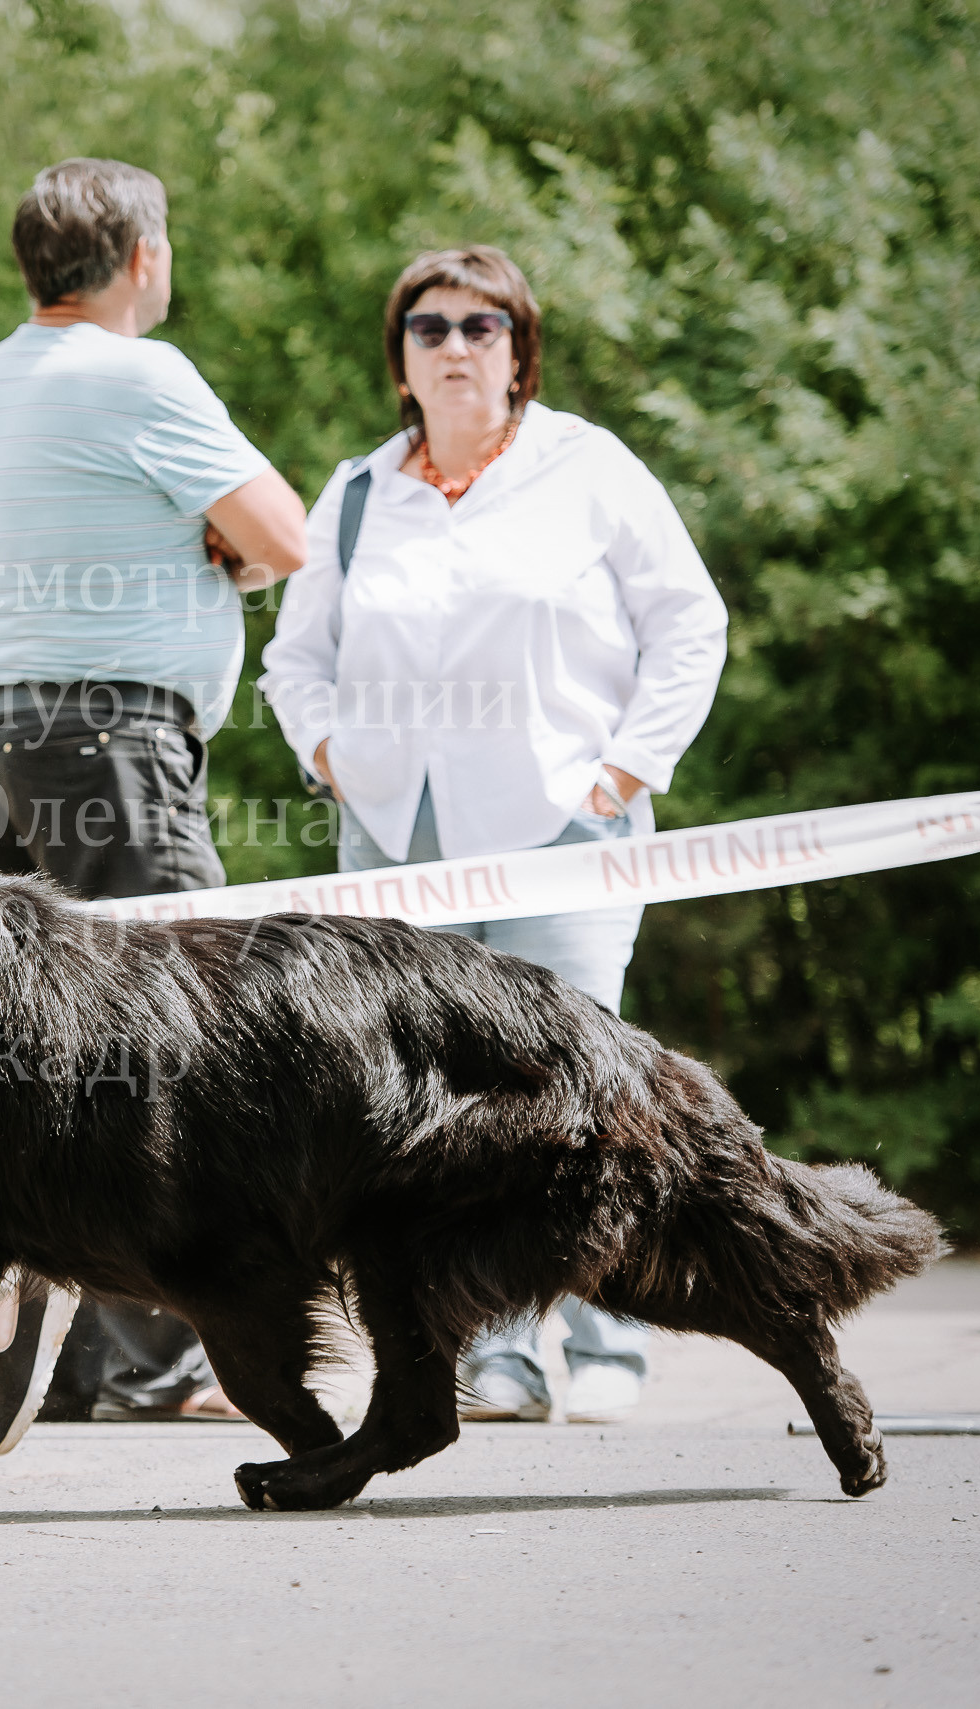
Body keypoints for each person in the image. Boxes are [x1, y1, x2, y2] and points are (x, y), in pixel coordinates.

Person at [260, 245, 729, 1424]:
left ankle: (609, 1327)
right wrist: (330, 758)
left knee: (583, 1090)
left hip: (562, 826)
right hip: (395, 846)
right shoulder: (359, 491)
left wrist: (622, 771)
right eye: (430, 328)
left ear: (519, 352)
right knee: (432, 1107)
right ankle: (490, 1349)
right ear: (400, 358)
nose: (456, 346)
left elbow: (689, 623)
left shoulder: (589, 469)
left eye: (482, 326)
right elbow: (292, 658)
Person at [0, 157, 308, 1449]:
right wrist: (227, 552)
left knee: (43, 1054)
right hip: (112, 742)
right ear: (142, 258)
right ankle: (150, 1359)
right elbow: (286, 531)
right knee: (174, 1043)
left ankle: (89, 1357)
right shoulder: (140, 376)